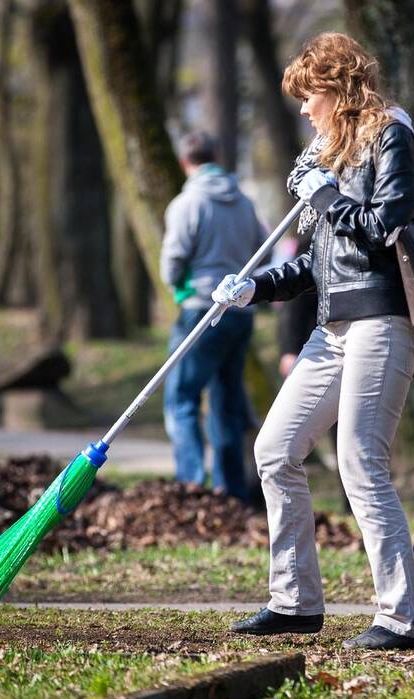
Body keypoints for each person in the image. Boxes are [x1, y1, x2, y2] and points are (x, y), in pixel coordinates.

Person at [212, 32, 414, 650]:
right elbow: (319, 263)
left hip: (382, 320)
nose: (303, 109)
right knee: (274, 451)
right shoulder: (327, 153)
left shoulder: (392, 137)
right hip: (332, 328)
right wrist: (253, 289)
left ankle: (400, 617)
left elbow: (383, 229)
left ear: (338, 89)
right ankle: (295, 602)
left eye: (310, 96)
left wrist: (326, 193)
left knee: (361, 460)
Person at [160, 130, 265, 504]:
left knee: (182, 399)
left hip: (202, 312)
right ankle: (230, 489)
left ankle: (190, 486)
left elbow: (173, 260)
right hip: (239, 313)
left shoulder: (187, 203)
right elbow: (264, 249)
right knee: (226, 400)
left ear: (185, 162)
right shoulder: (244, 202)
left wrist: (178, 285)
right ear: (216, 156)